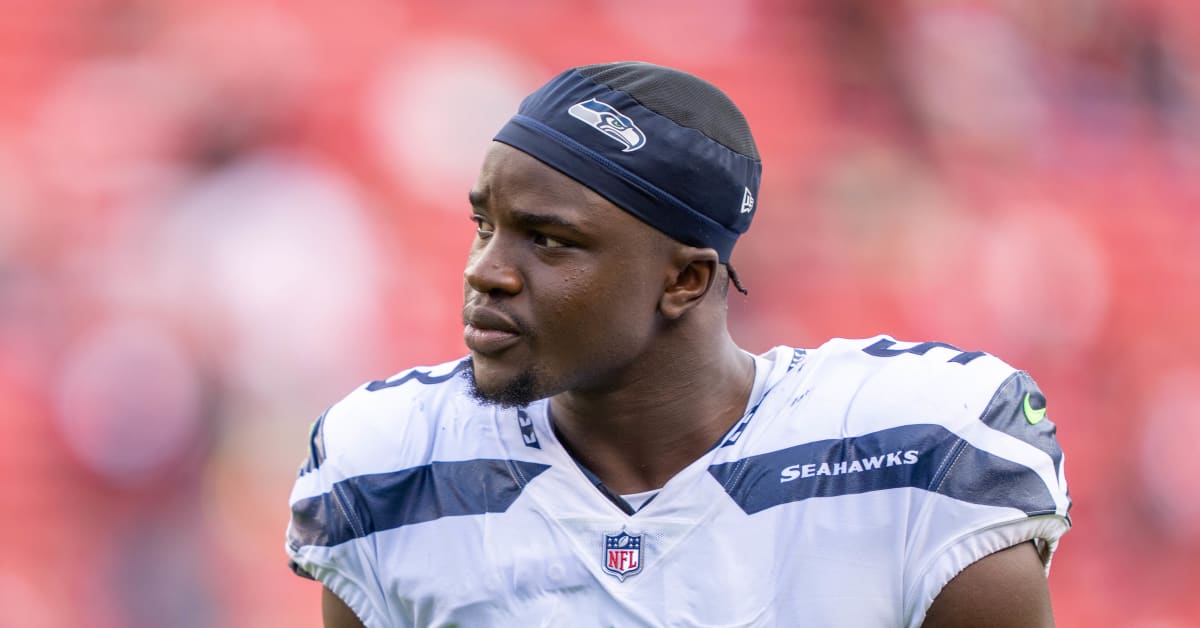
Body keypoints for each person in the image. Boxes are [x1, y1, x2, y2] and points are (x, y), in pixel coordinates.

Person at [285, 61, 1071, 627]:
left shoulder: (915, 452)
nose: (487, 273)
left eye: (549, 241)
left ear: (687, 281)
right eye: (484, 226)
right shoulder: (389, 466)